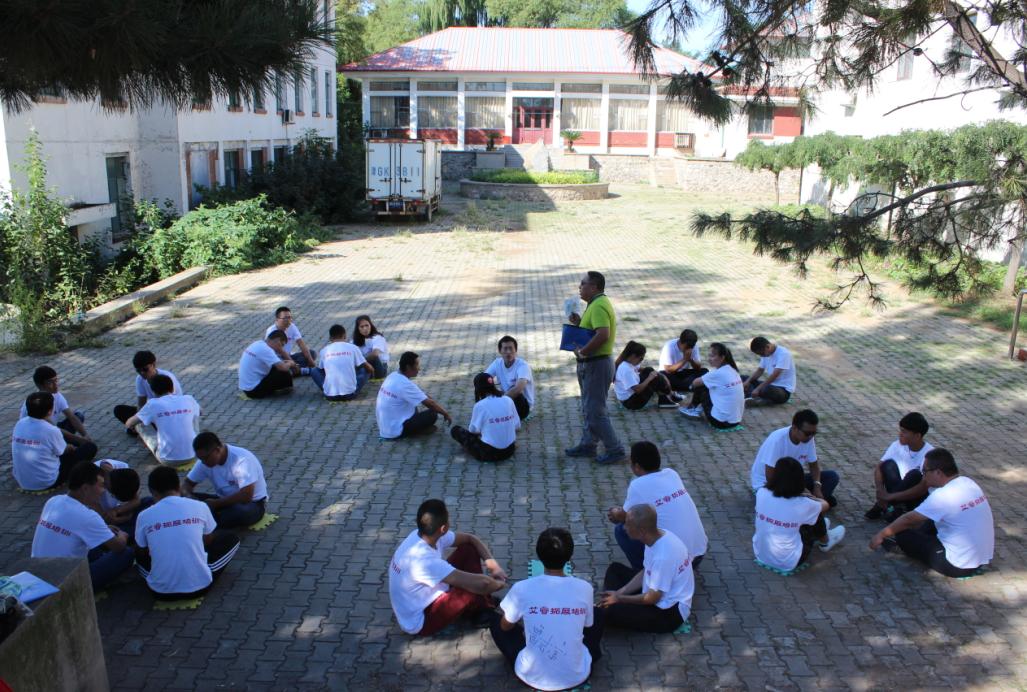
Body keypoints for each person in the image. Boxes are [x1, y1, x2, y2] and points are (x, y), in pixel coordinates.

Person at [490, 528, 604, 691]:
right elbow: (588, 625)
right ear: (570, 556)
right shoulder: (584, 588)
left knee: (496, 621)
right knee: (598, 613)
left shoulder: (522, 588)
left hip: (531, 676)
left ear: (539, 555)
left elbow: (505, 626)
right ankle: (591, 655)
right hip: (577, 675)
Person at [388, 498, 507, 636]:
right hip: (421, 620)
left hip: (424, 596)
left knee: (468, 549)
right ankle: (481, 608)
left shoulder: (420, 534)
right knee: (472, 587)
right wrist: (499, 584)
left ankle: (481, 604)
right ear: (443, 528)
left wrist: (493, 565)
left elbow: (470, 539)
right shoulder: (426, 562)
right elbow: (483, 583)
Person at [870, 448, 994, 578]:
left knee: (903, 534)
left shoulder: (943, 495)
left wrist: (881, 534)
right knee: (931, 520)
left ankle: (903, 547)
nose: (923, 476)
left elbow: (909, 520)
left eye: (925, 471)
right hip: (980, 560)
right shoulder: (968, 482)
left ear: (938, 472)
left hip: (957, 565)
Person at [135, 466, 241, 600]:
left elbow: (141, 551)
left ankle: (160, 575)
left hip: (160, 592)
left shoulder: (144, 515)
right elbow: (208, 540)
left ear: (152, 491)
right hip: (199, 588)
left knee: (136, 555)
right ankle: (200, 570)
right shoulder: (200, 506)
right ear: (178, 486)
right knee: (231, 539)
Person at [30, 461, 134, 590]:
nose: (104, 491)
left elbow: (73, 527)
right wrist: (123, 536)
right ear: (85, 489)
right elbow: (119, 547)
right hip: (65, 583)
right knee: (127, 553)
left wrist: (104, 529)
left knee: (95, 545)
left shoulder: (53, 501)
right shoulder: (88, 516)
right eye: (101, 485)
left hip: (37, 572)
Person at [607, 441, 708, 571]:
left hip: (676, 564)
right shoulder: (671, 473)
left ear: (636, 466)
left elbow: (626, 517)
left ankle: (644, 572)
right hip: (699, 554)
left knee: (622, 530)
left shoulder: (638, 485)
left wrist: (616, 513)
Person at [599, 504, 694, 633]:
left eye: (628, 525)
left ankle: (608, 607)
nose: (624, 527)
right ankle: (610, 602)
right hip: (655, 592)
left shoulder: (662, 557)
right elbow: (646, 571)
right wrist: (619, 593)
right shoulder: (659, 536)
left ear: (642, 531)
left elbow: (652, 598)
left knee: (608, 613)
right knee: (614, 569)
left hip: (668, 612)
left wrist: (619, 599)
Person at [565, 271, 626, 464]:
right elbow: (593, 331)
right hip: (592, 364)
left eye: (583, 283)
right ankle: (588, 445)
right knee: (589, 408)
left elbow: (603, 334)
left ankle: (615, 449)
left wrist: (583, 352)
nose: (579, 287)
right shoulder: (595, 303)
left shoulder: (599, 306)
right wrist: (578, 323)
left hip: (596, 364)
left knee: (595, 412)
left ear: (594, 287)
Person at [754, 457, 846, 572]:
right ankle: (826, 541)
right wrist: (809, 496)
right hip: (789, 561)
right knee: (815, 512)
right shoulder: (802, 503)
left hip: (761, 554)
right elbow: (825, 505)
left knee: (808, 513)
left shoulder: (761, 492)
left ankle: (820, 532)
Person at [749, 409, 840, 507]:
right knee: (791, 501)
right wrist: (799, 489)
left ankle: (811, 502)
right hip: (769, 484)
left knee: (832, 476)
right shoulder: (776, 441)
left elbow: (814, 465)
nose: (811, 437)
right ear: (794, 428)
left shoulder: (808, 438)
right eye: (807, 433)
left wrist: (817, 486)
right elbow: (770, 477)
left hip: (792, 479)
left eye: (814, 433)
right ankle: (813, 503)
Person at [12, 392, 98, 490]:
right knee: (90, 448)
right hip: (47, 481)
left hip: (23, 481)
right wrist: (71, 447)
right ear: (50, 411)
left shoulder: (20, 423)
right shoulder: (51, 430)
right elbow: (63, 451)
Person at [183, 432, 268, 528]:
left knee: (239, 513)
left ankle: (206, 520)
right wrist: (189, 497)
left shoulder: (242, 459)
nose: (203, 462)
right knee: (183, 499)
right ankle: (208, 518)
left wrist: (215, 504)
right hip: (222, 501)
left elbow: (246, 496)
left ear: (217, 450)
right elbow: (187, 483)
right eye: (200, 458)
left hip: (252, 504)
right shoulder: (204, 461)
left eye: (205, 458)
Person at [865, 412, 934, 520]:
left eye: (904, 432)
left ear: (917, 436)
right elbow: (879, 467)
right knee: (888, 465)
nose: (900, 434)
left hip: (915, 497)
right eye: (900, 430)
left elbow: (922, 488)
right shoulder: (897, 445)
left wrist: (889, 497)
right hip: (898, 492)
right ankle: (891, 509)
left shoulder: (929, 454)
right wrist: (880, 491)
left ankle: (885, 506)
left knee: (914, 475)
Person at [123, 374, 201, 465]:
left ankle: (156, 444)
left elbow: (129, 423)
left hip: (168, 460)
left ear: (154, 392)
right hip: (195, 454)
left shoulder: (153, 404)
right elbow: (201, 411)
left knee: (139, 423)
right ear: (172, 388)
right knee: (194, 413)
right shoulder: (188, 399)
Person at [375, 352, 453, 439]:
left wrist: (429, 400)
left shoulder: (393, 375)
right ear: (408, 367)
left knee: (414, 402)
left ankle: (419, 428)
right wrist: (445, 413)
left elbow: (421, 395)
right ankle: (418, 431)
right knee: (433, 414)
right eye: (417, 365)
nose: (419, 368)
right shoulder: (405, 384)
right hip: (396, 431)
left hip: (385, 429)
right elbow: (430, 404)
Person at [451, 373, 519, 462]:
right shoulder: (508, 400)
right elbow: (517, 425)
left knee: (456, 430)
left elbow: (473, 430)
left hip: (490, 453)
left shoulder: (480, 405)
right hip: (510, 450)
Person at [112, 351, 183, 434]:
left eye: (145, 369)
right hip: (154, 411)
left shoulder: (167, 378)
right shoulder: (140, 379)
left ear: (153, 364)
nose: (142, 373)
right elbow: (141, 404)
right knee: (119, 410)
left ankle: (145, 432)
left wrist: (142, 419)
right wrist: (139, 419)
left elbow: (171, 405)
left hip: (169, 414)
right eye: (138, 371)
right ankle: (142, 430)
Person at [678, 343, 745, 429]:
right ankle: (696, 407)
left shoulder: (717, 373)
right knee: (709, 384)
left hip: (720, 422)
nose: (709, 359)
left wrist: (690, 386)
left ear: (722, 357)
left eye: (712, 356)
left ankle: (692, 408)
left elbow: (695, 383)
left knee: (702, 385)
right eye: (709, 356)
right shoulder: (733, 370)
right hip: (735, 421)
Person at [20, 365, 91, 446]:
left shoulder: (57, 395)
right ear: (40, 385)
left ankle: (65, 443)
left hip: (51, 430)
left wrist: (85, 435)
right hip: (39, 438)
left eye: (56, 380)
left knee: (78, 416)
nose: (55, 385)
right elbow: (53, 428)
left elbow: (71, 417)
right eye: (50, 382)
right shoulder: (37, 403)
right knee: (86, 448)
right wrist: (80, 440)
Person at [309, 324, 374, 401]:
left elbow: (321, 370)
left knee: (314, 370)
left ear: (330, 338)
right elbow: (369, 368)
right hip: (350, 394)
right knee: (365, 369)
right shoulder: (353, 348)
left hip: (330, 396)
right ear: (345, 336)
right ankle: (349, 386)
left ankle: (330, 389)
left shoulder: (324, 350)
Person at [614, 341, 678, 411]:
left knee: (649, 370)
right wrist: (650, 378)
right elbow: (638, 390)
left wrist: (660, 375)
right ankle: (667, 397)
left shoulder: (628, 362)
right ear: (633, 356)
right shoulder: (626, 369)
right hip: (631, 403)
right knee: (654, 379)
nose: (641, 361)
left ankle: (667, 395)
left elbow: (643, 369)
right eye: (641, 358)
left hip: (631, 395)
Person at [239, 330, 302, 399]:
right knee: (284, 373)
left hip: (246, 388)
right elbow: (283, 368)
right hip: (253, 391)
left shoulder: (258, 344)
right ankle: (286, 388)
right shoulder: (267, 350)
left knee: (278, 366)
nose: (281, 348)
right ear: (278, 341)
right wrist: (291, 363)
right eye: (282, 345)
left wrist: (285, 362)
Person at [484, 335, 534, 420]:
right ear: (500, 351)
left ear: (516, 350)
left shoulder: (523, 366)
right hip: (506, 401)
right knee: (483, 384)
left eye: (511, 348)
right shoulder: (497, 363)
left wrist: (499, 402)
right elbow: (483, 378)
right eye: (505, 349)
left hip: (522, 405)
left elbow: (518, 388)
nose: (508, 352)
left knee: (516, 392)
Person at [658, 329, 708, 405]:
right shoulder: (669, 346)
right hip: (669, 375)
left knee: (705, 371)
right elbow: (668, 369)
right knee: (662, 376)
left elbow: (698, 368)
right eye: (686, 346)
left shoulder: (693, 346)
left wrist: (691, 360)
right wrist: (684, 359)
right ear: (681, 342)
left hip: (683, 374)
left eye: (691, 347)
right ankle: (692, 386)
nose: (689, 348)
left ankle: (687, 386)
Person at [742, 336, 796, 405]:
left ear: (767, 347)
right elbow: (760, 370)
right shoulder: (765, 353)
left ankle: (753, 397)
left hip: (783, 391)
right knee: (743, 378)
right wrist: (747, 381)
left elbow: (774, 376)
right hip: (770, 385)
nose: (761, 356)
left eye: (761, 353)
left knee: (766, 389)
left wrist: (758, 388)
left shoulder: (784, 354)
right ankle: (756, 397)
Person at [94, 460, 145, 532]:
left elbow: (136, 500)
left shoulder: (124, 472)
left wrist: (116, 510)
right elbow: (105, 519)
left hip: (114, 512)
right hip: (100, 519)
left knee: (148, 501)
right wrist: (126, 518)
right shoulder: (93, 484)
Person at [354, 314, 390, 379]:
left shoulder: (377, 337)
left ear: (371, 325)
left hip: (379, 368)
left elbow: (375, 354)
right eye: (362, 327)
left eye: (367, 325)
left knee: (373, 357)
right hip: (365, 366)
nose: (365, 328)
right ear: (358, 329)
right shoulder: (354, 340)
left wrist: (361, 362)